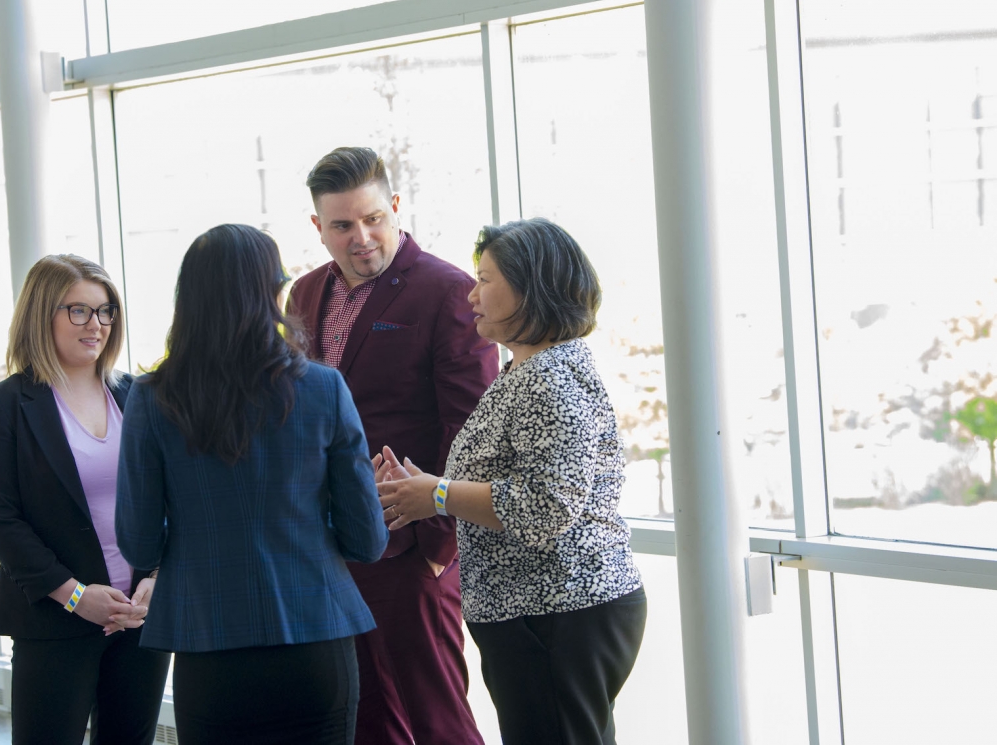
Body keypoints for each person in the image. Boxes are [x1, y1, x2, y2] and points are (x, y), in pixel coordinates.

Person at [375, 218, 648, 745]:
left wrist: (436, 492)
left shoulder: (548, 378)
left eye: (486, 279)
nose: (471, 294)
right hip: (544, 612)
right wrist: (425, 490)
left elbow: (545, 507)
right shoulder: (530, 371)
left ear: (531, 288)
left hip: (558, 611)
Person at [116, 223, 387, 745]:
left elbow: (140, 543)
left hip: (208, 646)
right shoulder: (324, 388)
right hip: (316, 641)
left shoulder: (151, 398)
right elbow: (367, 542)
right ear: (273, 292)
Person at [285, 146, 497, 745]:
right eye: (343, 225)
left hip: (412, 548)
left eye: (374, 218)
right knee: (363, 718)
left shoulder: (447, 291)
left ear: (396, 207)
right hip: (328, 547)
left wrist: (437, 546)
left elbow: (468, 425)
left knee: (438, 721)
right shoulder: (302, 297)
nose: (362, 237)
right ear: (318, 228)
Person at [0, 255, 170, 745]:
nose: (96, 324)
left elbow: (171, 500)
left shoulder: (140, 395)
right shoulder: (3, 405)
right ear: (43, 314)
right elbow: (0, 519)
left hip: (140, 615)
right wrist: (76, 596)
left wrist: (156, 580)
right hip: (54, 619)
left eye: (106, 312)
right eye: (79, 311)